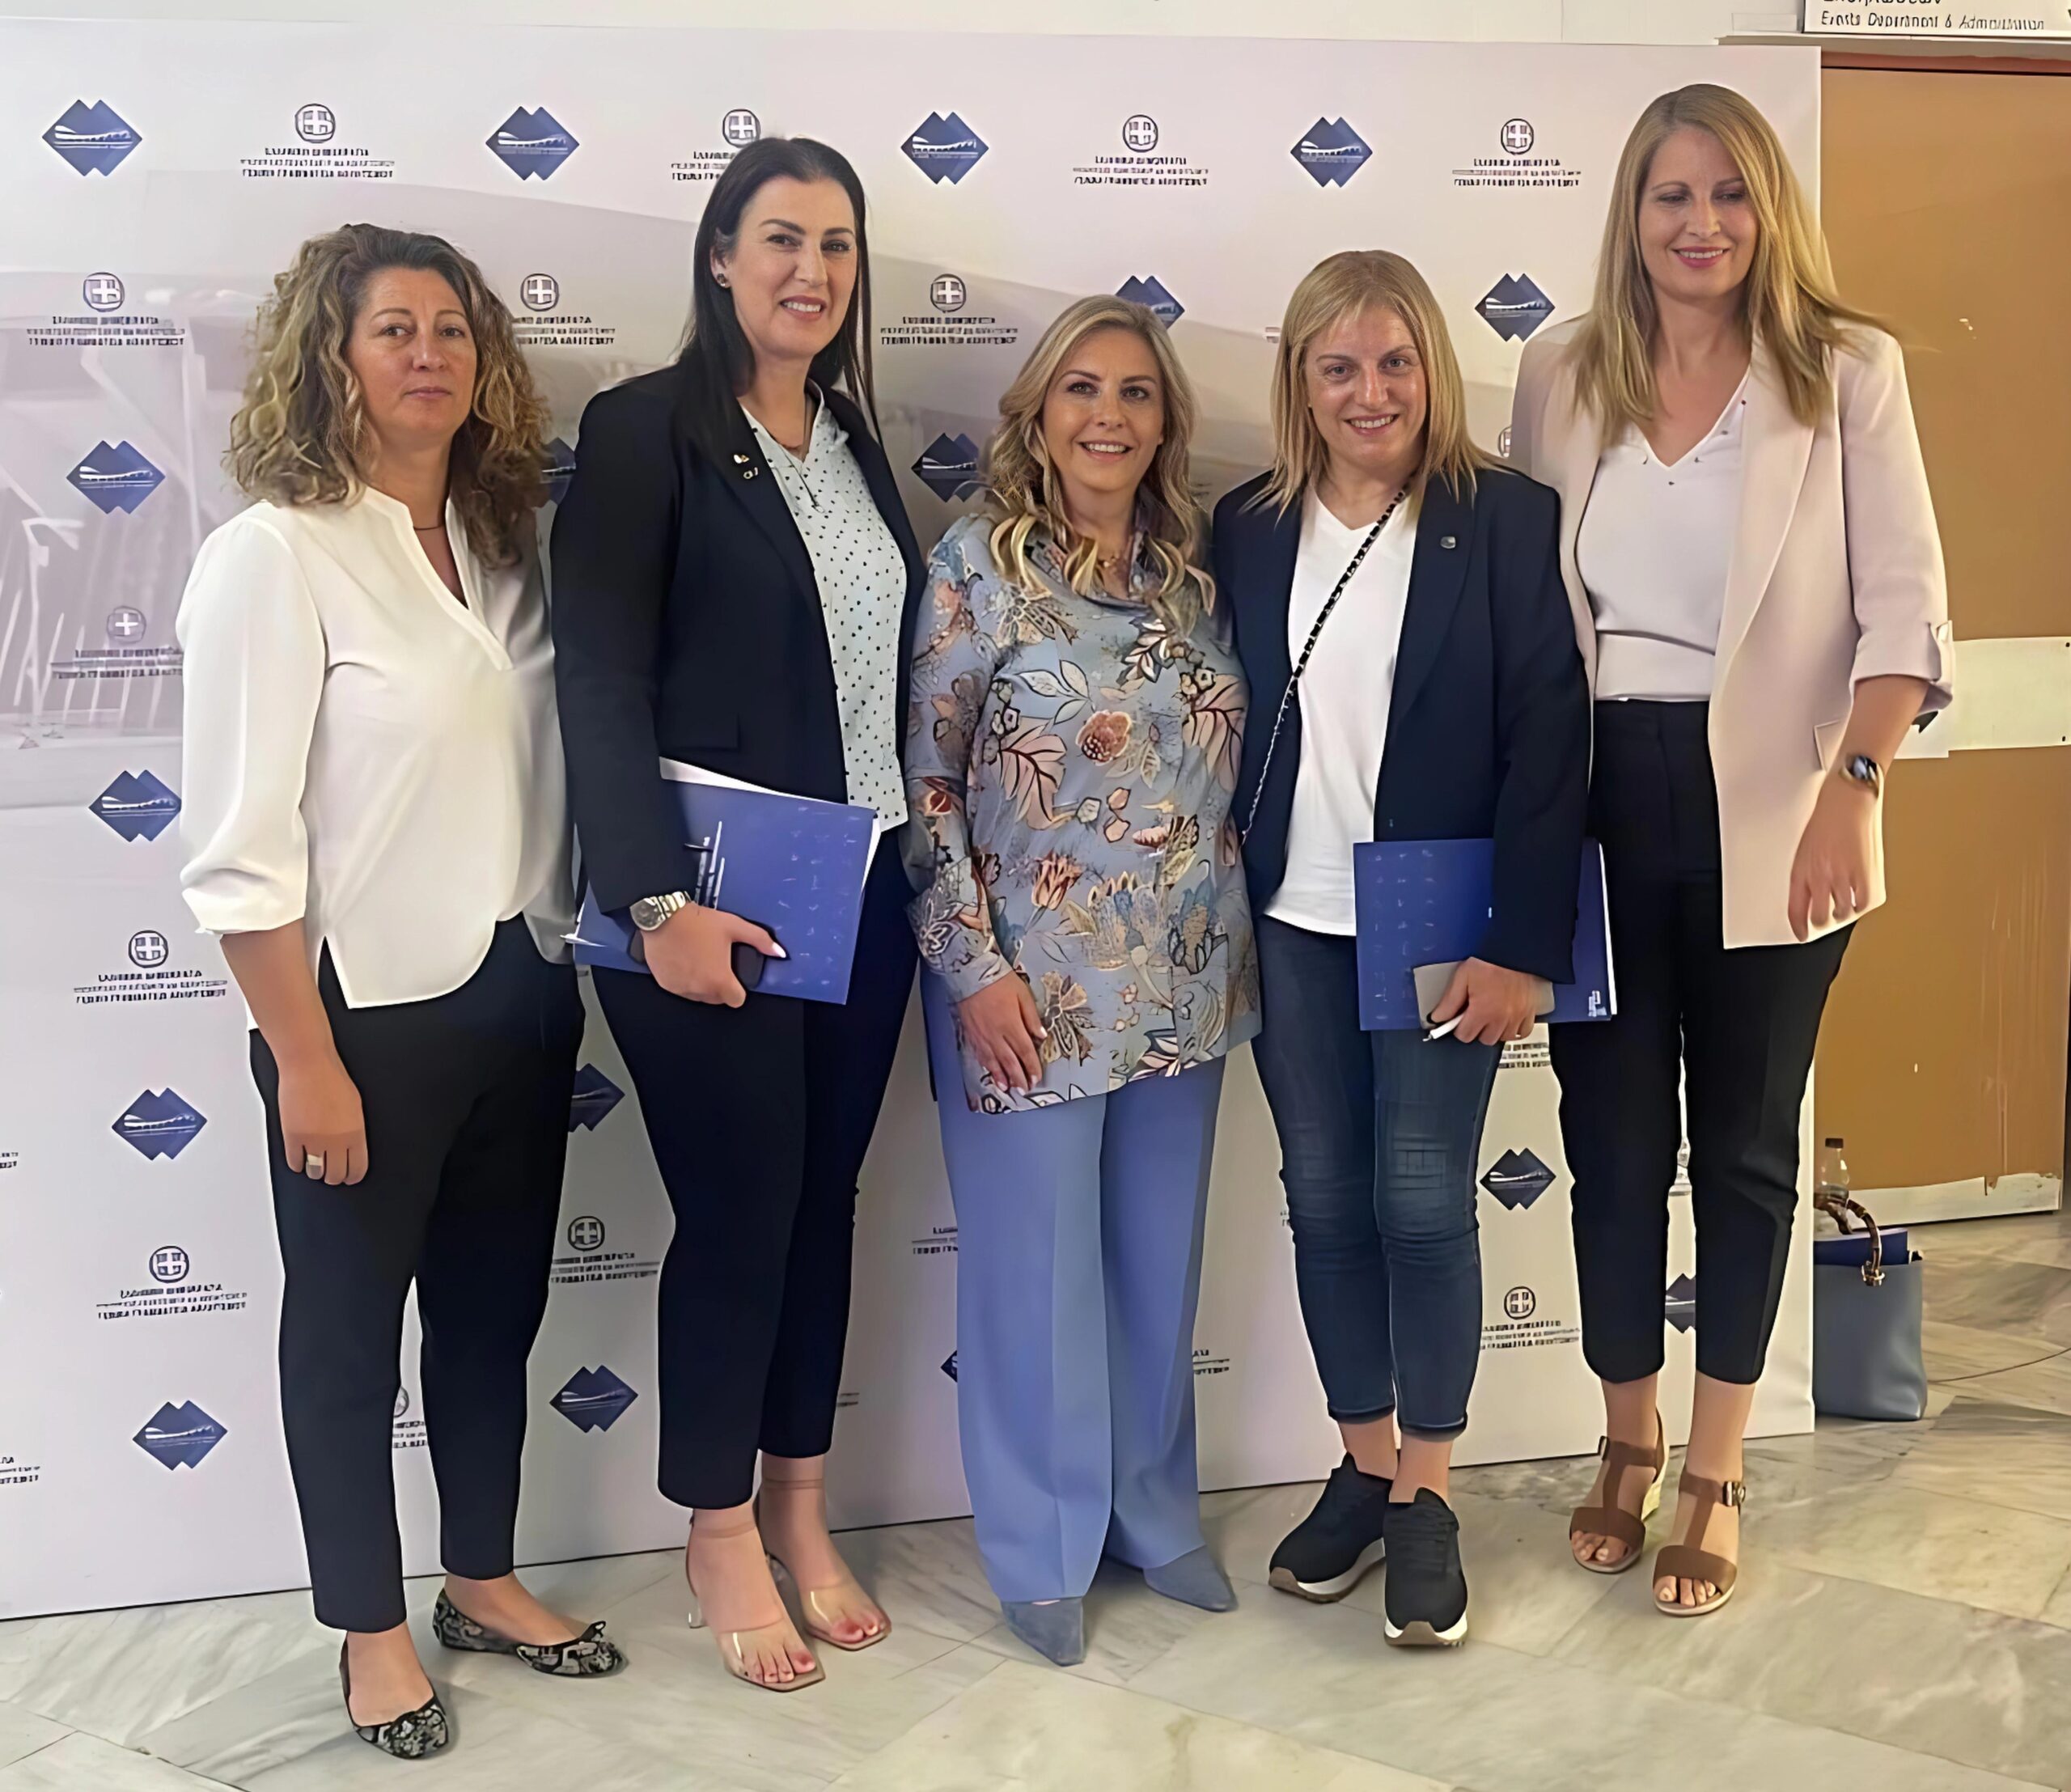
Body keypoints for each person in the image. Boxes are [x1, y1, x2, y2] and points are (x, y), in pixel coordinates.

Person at [176, 224, 624, 1762]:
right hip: (357, 1023)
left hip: (520, 989)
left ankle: (481, 1580)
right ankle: (371, 1631)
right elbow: (238, 852)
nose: (429, 353)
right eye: (393, 329)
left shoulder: (505, 549)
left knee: (491, 1320)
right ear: (332, 359)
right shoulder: (276, 555)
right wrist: (301, 1059)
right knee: (350, 1339)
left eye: (451, 328)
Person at [1509, 83, 1952, 1616]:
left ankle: (1715, 1465)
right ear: (1631, 214)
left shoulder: (1847, 371)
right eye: (1671, 195)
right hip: (1595, 804)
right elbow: (1530, 613)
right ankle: (1626, 1435)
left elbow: (1905, 608)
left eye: (1729, 193)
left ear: (1770, 210)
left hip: (1781, 806)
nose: (1700, 224)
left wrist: (1858, 783)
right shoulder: (1560, 371)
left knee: (1749, 1149)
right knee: (1612, 1143)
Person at [549, 137, 922, 1692]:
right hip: (706, 905)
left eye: (836, 244)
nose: (810, 271)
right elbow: (598, 679)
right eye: (780, 238)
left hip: (865, 887)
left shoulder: (851, 440)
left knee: (821, 1202)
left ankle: (799, 1505)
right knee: (742, 1206)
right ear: (719, 256)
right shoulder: (645, 430)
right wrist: (654, 902)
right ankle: (715, 1528)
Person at [1218, 251, 1588, 1648]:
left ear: (1431, 368)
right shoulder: (1247, 526)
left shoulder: (1503, 518)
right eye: (1338, 367)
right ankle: (1365, 1469)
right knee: (1324, 1198)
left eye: (1393, 362)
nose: (1369, 392)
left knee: (1424, 1200)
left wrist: (1522, 943)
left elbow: (1549, 738)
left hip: (1444, 922)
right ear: (1300, 383)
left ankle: (1429, 1492)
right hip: (1291, 919)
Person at [902, 295, 1258, 1667]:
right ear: (1039, 414)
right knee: (1033, 1277)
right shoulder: (975, 569)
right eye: (1082, 390)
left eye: (1135, 393)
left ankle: (1152, 1514)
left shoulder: (1193, 578)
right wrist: (971, 970)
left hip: (1185, 981)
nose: (1109, 415)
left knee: (1155, 1271)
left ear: (1165, 422)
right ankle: (1039, 1545)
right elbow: (928, 784)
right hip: (1025, 991)